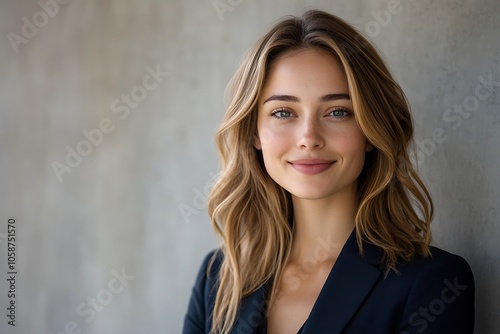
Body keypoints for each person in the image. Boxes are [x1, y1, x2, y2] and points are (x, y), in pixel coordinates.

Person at [182, 9, 475, 334]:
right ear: (254, 133)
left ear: (370, 130)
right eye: (283, 112)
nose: (309, 138)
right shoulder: (218, 279)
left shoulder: (432, 283)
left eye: (338, 111)